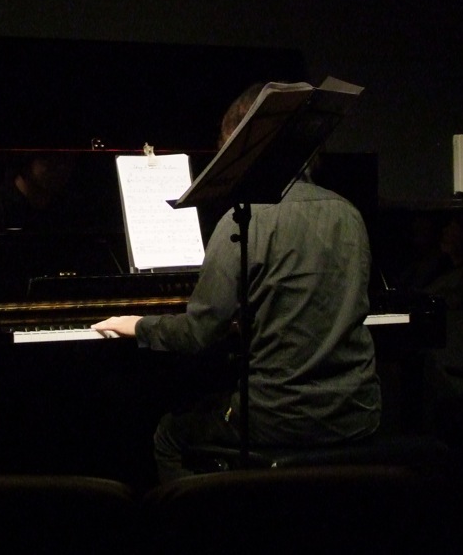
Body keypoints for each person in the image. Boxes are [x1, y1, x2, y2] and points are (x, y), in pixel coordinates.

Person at [92, 82, 381, 482]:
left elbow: (198, 334)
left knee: (169, 434)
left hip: (279, 418)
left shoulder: (243, 219)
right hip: (357, 413)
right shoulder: (349, 214)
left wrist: (138, 324)